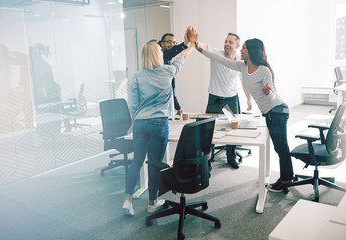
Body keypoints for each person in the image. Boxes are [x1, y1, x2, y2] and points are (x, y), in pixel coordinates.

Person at [196, 38, 294, 193]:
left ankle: (286, 179)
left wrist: (268, 92)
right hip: (270, 112)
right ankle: (288, 177)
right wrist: (200, 49)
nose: (240, 50)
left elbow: (273, 95)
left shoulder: (264, 70)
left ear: (252, 51)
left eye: (244, 48)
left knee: (281, 147)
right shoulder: (242, 66)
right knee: (280, 147)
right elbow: (220, 59)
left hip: (277, 110)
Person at [122, 27, 197, 216]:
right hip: (158, 123)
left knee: (137, 161)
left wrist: (133, 123)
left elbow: (134, 105)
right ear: (159, 54)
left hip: (140, 122)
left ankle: (127, 200)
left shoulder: (137, 76)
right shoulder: (168, 71)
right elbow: (184, 56)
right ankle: (152, 202)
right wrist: (191, 44)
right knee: (155, 163)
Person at [204, 33, 252, 169]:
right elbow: (204, 47)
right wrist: (196, 42)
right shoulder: (216, 54)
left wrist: (248, 98)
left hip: (230, 100)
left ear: (237, 46)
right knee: (209, 129)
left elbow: (244, 82)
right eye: (226, 41)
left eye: (230, 42)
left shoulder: (241, 62)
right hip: (214, 99)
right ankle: (208, 158)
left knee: (233, 129)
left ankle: (231, 157)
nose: (226, 44)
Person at [158, 30, 190, 117]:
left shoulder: (167, 61)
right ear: (162, 43)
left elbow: (171, 89)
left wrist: (178, 107)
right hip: (159, 108)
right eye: (169, 42)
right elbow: (169, 53)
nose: (172, 45)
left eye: (174, 42)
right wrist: (185, 44)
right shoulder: (160, 56)